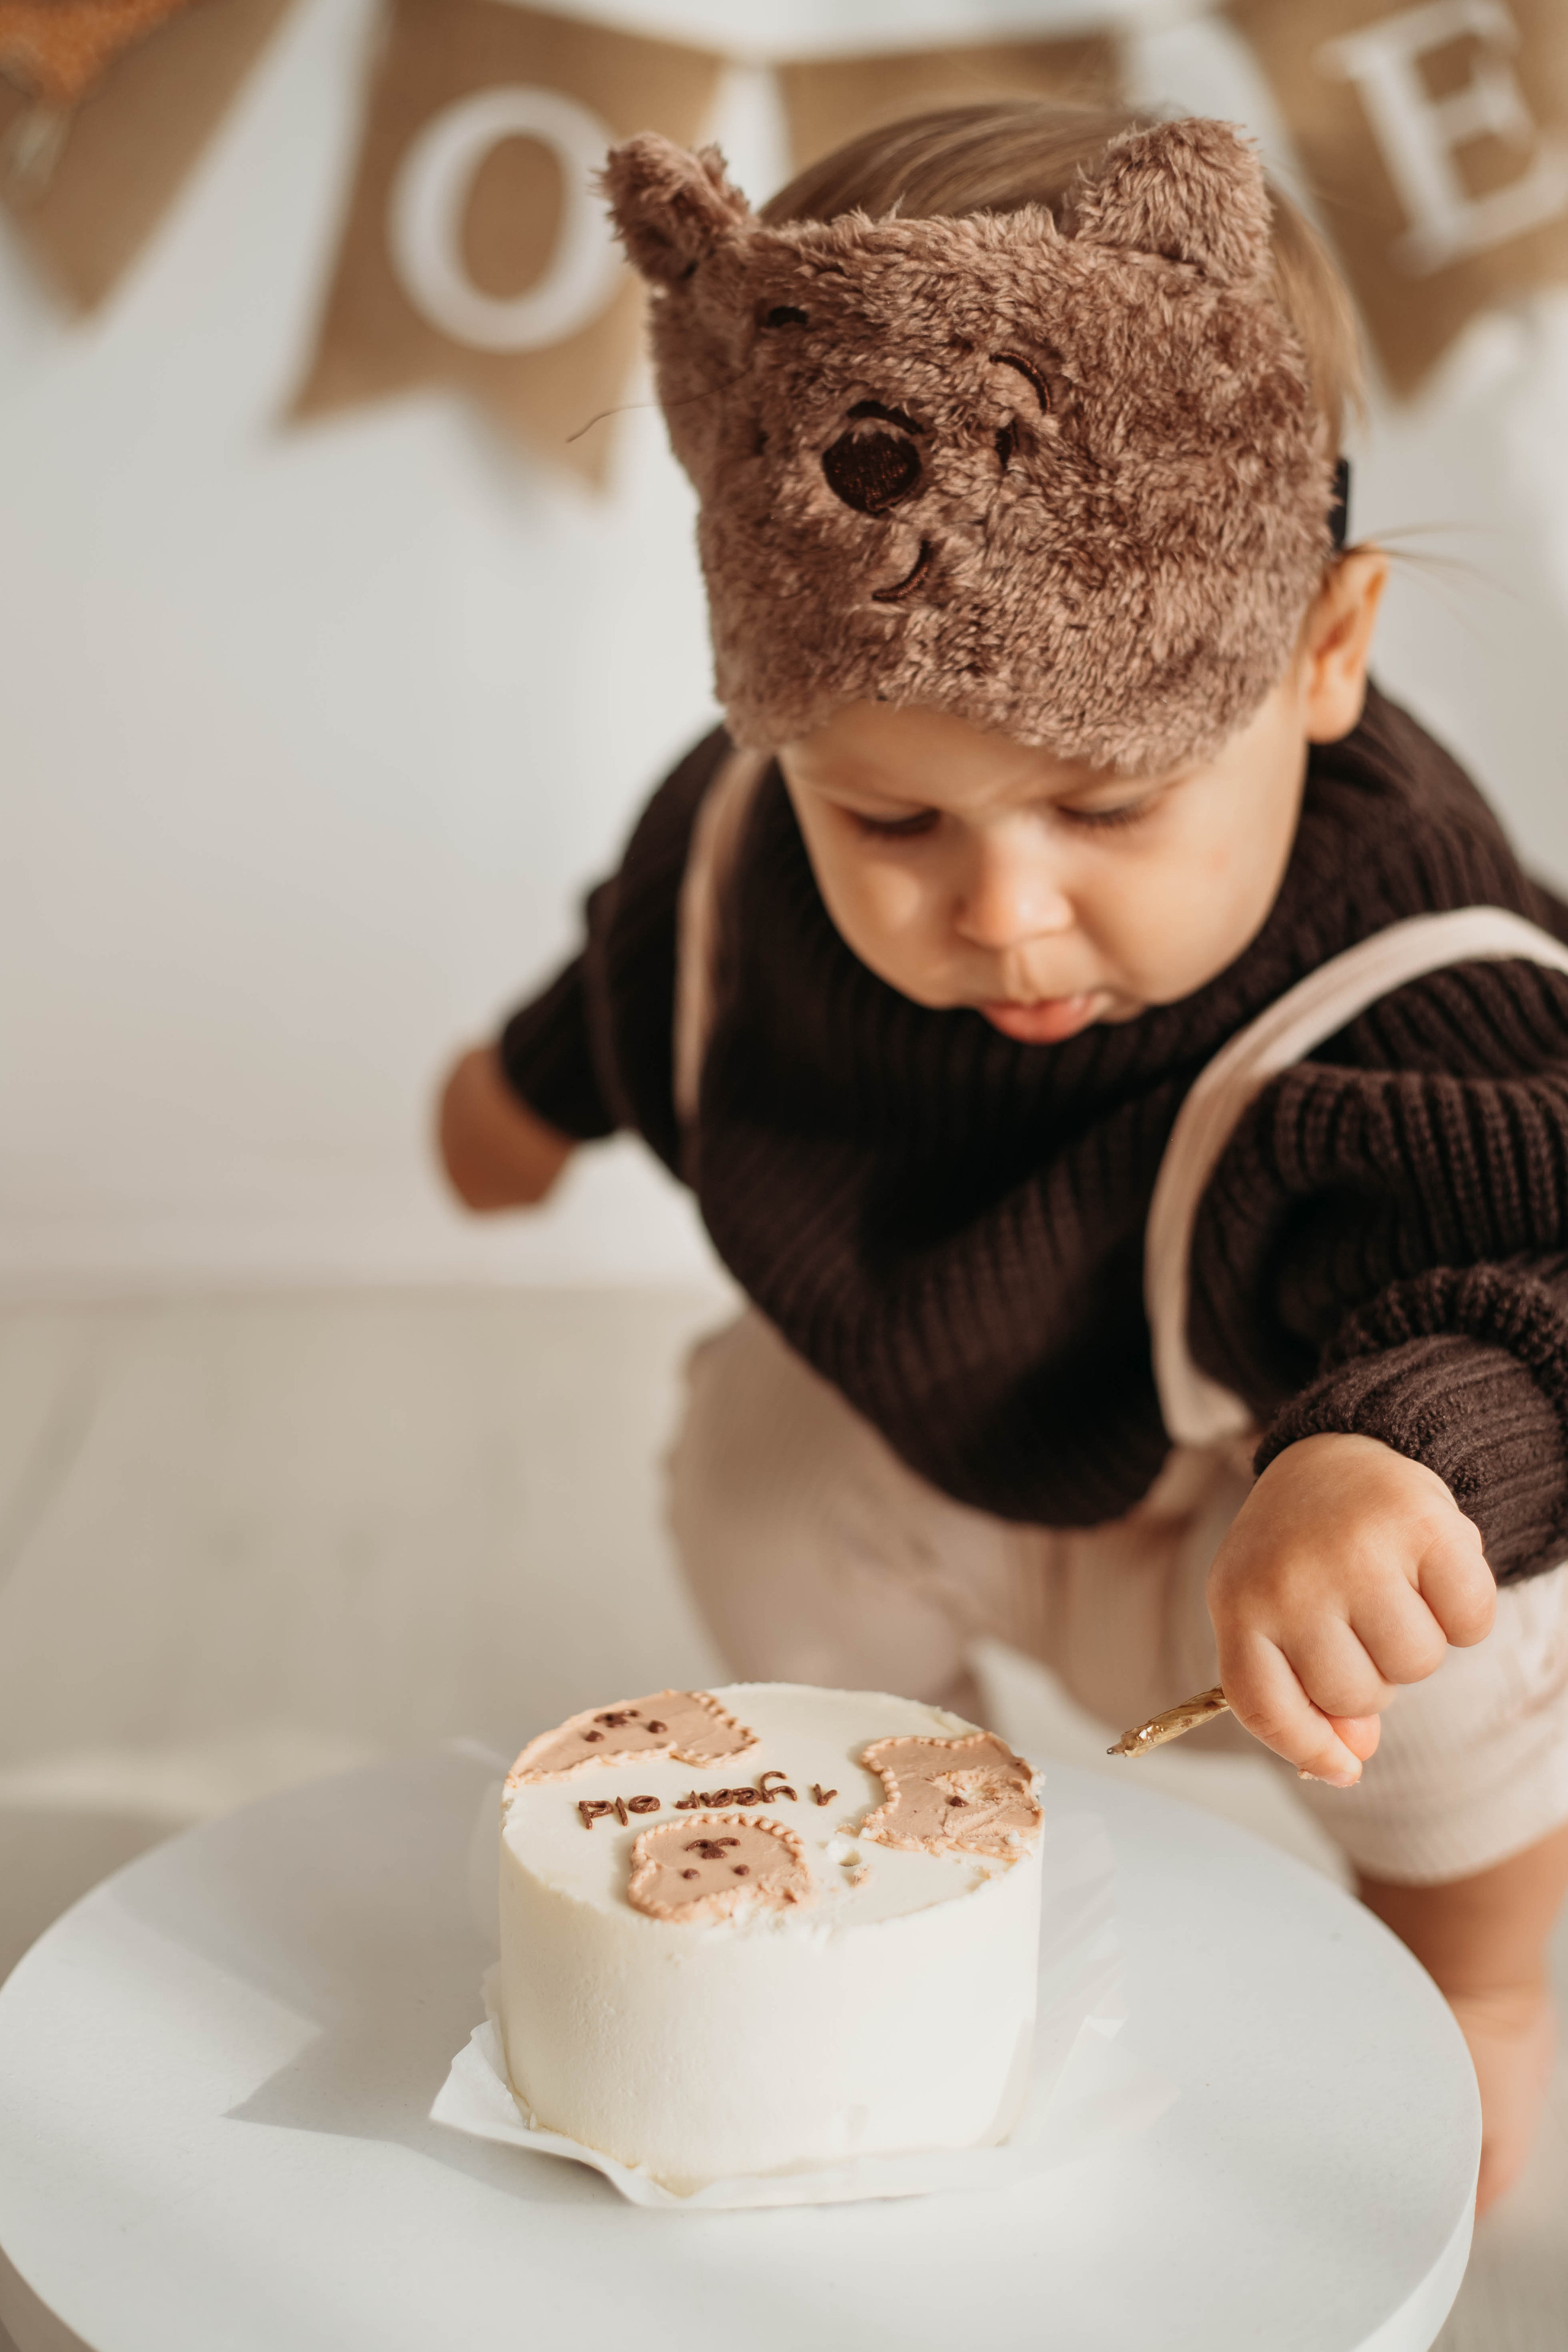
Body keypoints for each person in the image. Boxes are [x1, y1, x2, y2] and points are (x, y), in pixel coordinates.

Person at [438, 102, 1568, 2212]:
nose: (1003, 912)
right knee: (751, 1454)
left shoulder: (1416, 973)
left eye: (1108, 810)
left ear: (1324, 656)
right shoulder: (756, 832)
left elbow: (1544, 1257)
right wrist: (525, 1089)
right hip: (962, 1449)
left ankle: (1481, 1975)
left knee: (1466, 1635)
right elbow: (653, 953)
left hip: (1279, 1527)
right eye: (895, 823)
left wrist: (1395, 1452)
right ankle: (910, 1855)